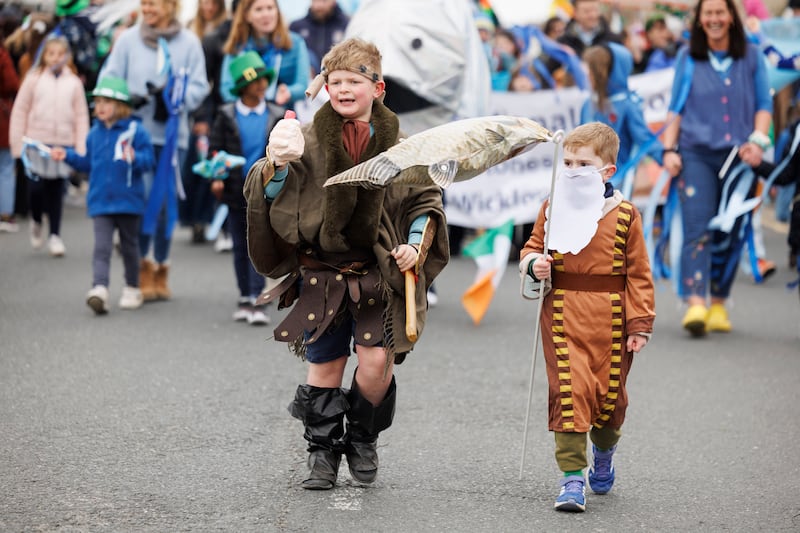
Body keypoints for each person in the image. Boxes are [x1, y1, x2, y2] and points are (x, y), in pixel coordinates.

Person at [243, 38, 449, 490]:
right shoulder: (306, 138)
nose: (342, 89)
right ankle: (321, 453)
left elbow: (426, 200)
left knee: (376, 363)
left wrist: (416, 243)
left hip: (378, 270)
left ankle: (361, 437)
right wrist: (275, 166)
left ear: (377, 88)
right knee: (326, 367)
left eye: (353, 81)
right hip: (320, 271)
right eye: (335, 81)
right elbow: (271, 195)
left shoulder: (403, 145)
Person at [519, 122, 655, 513]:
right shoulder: (551, 206)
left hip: (612, 319)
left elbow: (640, 274)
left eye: (583, 163)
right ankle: (572, 478)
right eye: (568, 162)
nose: (572, 169)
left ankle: (605, 451)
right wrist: (534, 264)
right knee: (569, 393)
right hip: (562, 312)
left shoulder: (627, 215)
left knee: (611, 403)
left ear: (607, 171)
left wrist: (640, 324)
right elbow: (530, 248)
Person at [661, 0, 772, 336]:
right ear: (699, 20)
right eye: (707, 13)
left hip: (740, 158)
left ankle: (720, 302)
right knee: (697, 227)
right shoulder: (687, 58)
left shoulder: (752, 57)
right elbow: (675, 108)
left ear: (732, 18)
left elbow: (764, 105)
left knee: (732, 230)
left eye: (719, 12)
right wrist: (668, 149)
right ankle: (696, 301)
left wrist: (758, 141)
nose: (714, 19)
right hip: (696, 154)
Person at [100, 0, 210, 301]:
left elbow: (200, 86)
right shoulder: (128, 40)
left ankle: (161, 264)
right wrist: (126, 98)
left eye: (153, 3)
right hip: (136, 134)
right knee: (142, 198)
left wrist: (174, 98)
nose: (147, 8)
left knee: (165, 203)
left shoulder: (188, 42)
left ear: (171, 6)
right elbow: (108, 79)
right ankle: (141, 266)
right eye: (144, 3)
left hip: (174, 137)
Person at [51, 76, 155, 314]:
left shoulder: (136, 131)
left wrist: (135, 158)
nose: (99, 107)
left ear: (120, 106)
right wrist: (66, 155)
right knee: (101, 247)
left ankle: (132, 287)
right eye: (97, 102)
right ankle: (100, 289)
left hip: (129, 202)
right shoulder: (94, 134)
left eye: (105, 102)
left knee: (129, 247)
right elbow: (88, 163)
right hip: (100, 201)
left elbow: (149, 162)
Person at [208, 51, 283, 325]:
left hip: (265, 191)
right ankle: (245, 295)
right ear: (242, 87)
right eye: (254, 82)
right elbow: (216, 149)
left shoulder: (275, 113)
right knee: (240, 244)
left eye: (263, 80)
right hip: (234, 189)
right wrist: (216, 176)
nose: (261, 85)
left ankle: (256, 296)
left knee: (258, 244)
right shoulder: (227, 114)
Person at [9, 35, 90, 257]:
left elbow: (81, 116)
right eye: (51, 53)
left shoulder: (73, 83)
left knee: (56, 190)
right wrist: (18, 143)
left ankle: (55, 235)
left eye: (60, 54)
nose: (55, 58)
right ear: (44, 55)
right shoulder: (33, 79)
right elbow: (20, 111)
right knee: (35, 188)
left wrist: (80, 148)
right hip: (36, 142)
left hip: (62, 143)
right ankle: (36, 220)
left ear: (67, 57)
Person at [581, 43, 663, 196]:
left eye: (592, 71)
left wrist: (664, 156)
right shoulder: (588, 105)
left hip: (617, 183)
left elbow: (644, 137)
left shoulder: (627, 104)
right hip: (587, 182)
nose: (587, 75)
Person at [182, 0, 229, 243]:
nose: (209, 6)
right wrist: (200, 116)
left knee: (217, 165)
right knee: (199, 167)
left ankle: (214, 220)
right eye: (205, 2)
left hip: (218, 105)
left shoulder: (227, 29)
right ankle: (196, 219)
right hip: (203, 108)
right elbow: (196, 79)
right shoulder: (192, 29)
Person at [219, 0, 311, 109]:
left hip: (283, 114)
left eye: (270, 8)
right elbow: (226, 88)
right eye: (259, 9)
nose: (266, 14)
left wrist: (288, 92)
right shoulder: (238, 46)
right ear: (247, 15)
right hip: (247, 115)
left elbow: (303, 86)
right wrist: (248, 99)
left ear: (277, 11)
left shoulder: (294, 42)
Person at [289, 0, 349, 76]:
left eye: (324, 1)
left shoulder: (347, 25)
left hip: (337, 80)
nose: (319, 6)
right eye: (315, 1)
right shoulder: (296, 27)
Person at [0, 34, 20, 233]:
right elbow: (12, 83)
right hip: (2, 118)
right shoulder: (2, 54)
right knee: (5, 166)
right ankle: (5, 213)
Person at [557, 0, 622, 60]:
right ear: (575, 13)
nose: (592, 15)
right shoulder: (563, 42)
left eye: (595, 10)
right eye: (587, 11)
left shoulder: (613, 40)